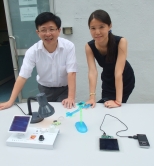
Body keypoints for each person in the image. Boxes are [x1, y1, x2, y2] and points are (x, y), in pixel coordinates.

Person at [0, 12, 77, 110]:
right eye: (43, 30)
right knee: (46, 115)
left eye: (52, 29)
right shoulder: (32, 51)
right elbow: (23, 76)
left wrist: (71, 97)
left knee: (64, 112)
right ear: (38, 32)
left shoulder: (69, 46)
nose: (48, 34)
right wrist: (10, 101)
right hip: (44, 89)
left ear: (59, 30)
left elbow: (71, 73)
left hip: (64, 89)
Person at [86, 9, 135, 108]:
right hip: (108, 79)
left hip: (124, 79)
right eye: (93, 28)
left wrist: (118, 101)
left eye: (101, 27)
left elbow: (118, 72)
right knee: (106, 105)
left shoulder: (121, 42)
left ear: (110, 26)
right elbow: (92, 72)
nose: (97, 32)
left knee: (117, 107)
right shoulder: (89, 46)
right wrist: (92, 97)